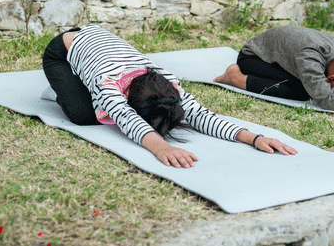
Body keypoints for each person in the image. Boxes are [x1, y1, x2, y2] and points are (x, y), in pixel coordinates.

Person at [42, 24, 297, 168]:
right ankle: (65, 87)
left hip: (99, 41)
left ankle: (80, 85)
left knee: (103, 108)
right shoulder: (109, 85)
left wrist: (253, 138)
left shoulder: (168, 82)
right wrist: (161, 147)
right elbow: (125, 116)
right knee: (85, 115)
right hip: (63, 50)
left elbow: (200, 115)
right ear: (126, 94)